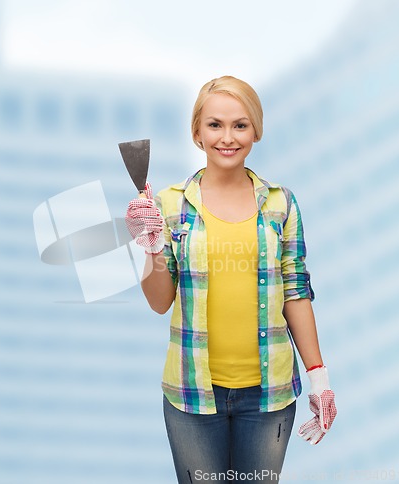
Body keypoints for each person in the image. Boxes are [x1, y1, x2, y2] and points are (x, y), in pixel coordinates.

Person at [125, 76, 337, 483]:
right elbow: (159, 301)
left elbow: (295, 293)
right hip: (191, 395)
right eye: (215, 125)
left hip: (269, 396)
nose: (228, 137)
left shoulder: (281, 204)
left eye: (240, 125)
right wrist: (151, 247)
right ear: (197, 133)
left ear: (255, 130)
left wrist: (319, 378)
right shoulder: (169, 204)